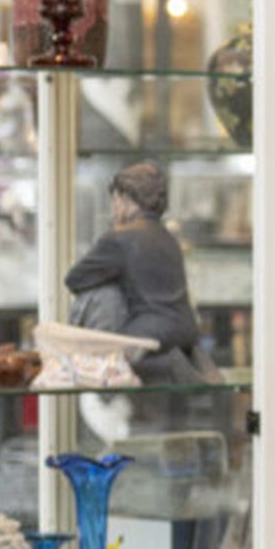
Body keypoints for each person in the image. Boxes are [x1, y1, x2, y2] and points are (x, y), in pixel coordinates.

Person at [64, 160, 213, 385]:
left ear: (124, 199)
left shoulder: (119, 237)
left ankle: (160, 366)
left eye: (114, 200)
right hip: (186, 330)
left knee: (105, 359)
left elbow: (74, 280)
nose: (113, 208)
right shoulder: (168, 237)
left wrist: (113, 277)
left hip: (150, 333)